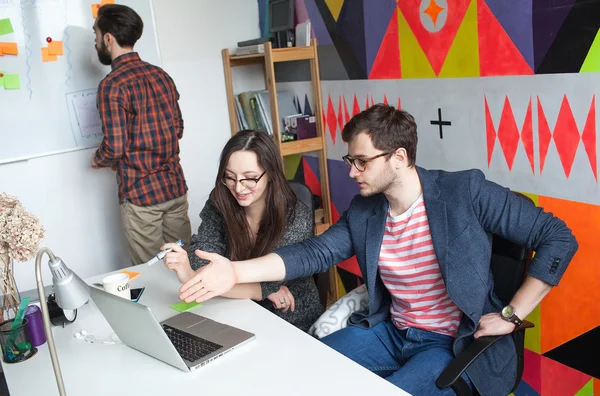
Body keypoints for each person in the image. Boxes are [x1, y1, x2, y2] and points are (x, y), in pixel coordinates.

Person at [175, 105, 578, 395]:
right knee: (304, 368)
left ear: (399, 157)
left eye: (361, 162)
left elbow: (558, 237)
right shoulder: (367, 211)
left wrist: (512, 313)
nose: (351, 172)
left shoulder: (465, 192)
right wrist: (235, 272)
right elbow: (315, 252)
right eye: (351, 160)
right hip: (390, 331)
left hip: (450, 342)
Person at [162, 130, 323, 332]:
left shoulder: (295, 216)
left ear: (271, 174)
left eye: (250, 178)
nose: (238, 188)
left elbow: (268, 283)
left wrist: (191, 276)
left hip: (290, 317)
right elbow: (202, 257)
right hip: (235, 312)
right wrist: (260, 290)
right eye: (230, 177)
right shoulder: (220, 201)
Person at [90, 4, 191, 266]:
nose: (96, 42)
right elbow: (177, 128)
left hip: (141, 196)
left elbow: (115, 147)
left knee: (152, 271)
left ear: (108, 38)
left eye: (96, 36)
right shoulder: (161, 76)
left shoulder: (112, 85)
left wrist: (97, 159)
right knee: (183, 265)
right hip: (174, 189)